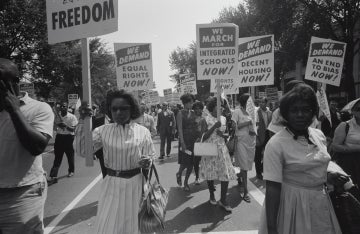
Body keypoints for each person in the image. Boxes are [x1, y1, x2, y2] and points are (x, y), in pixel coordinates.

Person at [259, 84, 345, 234]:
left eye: (306, 110)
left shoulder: (319, 135)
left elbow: (315, 168)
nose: (300, 115)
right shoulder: (275, 144)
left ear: (313, 112)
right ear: (286, 113)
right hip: (293, 207)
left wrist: (329, 177)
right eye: (294, 110)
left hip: (320, 203)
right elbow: (272, 188)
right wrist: (272, 229)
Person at [74, 89, 155, 234]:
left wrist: (147, 161)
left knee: (135, 227)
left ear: (132, 110)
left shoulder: (143, 132)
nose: (118, 112)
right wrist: (82, 121)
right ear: (109, 110)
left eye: (123, 108)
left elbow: (150, 156)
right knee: (109, 226)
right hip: (112, 185)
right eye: (114, 109)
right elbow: (82, 151)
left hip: (136, 185)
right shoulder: (102, 131)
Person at [0, 58, 54, 233]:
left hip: (21, 195)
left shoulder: (39, 108)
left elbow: (37, 147)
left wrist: (14, 110)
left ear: (14, 82)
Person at [200, 97, 237, 212]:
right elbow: (203, 138)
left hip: (222, 149)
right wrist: (213, 127)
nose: (220, 107)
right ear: (212, 106)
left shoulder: (224, 119)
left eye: (221, 105)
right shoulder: (205, 119)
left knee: (225, 174)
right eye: (218, 105)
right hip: (209, 149)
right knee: (210, 174)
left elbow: (226, 136)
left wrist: (224, 135)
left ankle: (223, 200)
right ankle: (212, 194)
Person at [232, 94, 256, 203]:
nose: (251, 103)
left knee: (246, 166)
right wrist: (247, 123)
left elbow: (256, 125)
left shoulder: (253, 112)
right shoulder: (237, 112)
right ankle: (246, 192)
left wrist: (254, 127)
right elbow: (234, 127)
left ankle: (239, 175)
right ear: (244, 102)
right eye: (249, 101)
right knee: (245, 167)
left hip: (251, 142)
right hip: (241, 142)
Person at [332, 98, 360, 187]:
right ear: (353, 111)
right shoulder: (345, 125)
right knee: (353, 191)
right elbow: (335, 146)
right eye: (359, 109)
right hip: (350, 163)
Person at [48, 102, 78, 183]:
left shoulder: (72, 117)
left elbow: (73, 129)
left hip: (68, 138)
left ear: (67, 107)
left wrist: (65, 126)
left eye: (64, 106)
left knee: (70, 156)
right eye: (61, 106)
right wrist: (56, 125)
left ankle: (71, 171)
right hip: (59, 138)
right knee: (57, 158)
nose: (62, 108)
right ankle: (53, 176)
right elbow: (54, 128)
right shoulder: (57, 116)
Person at [176, 94, 196, 191]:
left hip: (193, 141)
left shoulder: (193, 113)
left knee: (191, 163)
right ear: (186, 103)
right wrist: (182, 142)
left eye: (192, 102)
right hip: (184, 141)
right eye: (191, 102)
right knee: (184, 162)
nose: (192, 104)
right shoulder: (180, 113)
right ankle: (179, 173)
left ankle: (186, 182)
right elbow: (179, 129)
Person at [255, 97, 272, 180]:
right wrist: (256, 136)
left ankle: (262, 168)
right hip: (258, 135)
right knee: (258, 155)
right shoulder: (256, 112)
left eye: (263, 102)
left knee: (268, 154)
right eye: (260, 102)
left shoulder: (269, 113)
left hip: (268, 135)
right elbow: (254, 124)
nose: (261, 103)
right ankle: (258, 173)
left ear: (266, 103)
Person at [193, 101, 207, 185]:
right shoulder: (192, 118)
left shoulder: (206, 117)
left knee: (206, 159)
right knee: (196, 160)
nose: (198, 110)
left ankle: (209, 179)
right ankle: (197, 177)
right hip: (196, 141)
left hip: (205, 140)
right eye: (196, 108)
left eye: (199, 108)